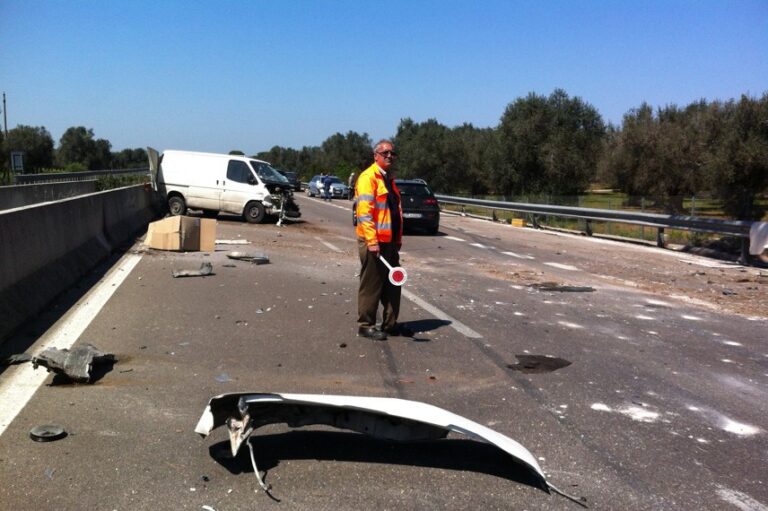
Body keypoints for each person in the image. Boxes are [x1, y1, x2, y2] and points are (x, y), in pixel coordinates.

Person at [355, 140, 413, 340]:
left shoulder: (389, 180)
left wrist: (397, 240)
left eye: (392, 153)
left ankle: (389, 324)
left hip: (390, 242)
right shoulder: (368, 178)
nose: (389, 156)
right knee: (372, 284)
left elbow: (394, 212)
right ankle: (365, 325)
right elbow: (364, 213)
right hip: (374, 241)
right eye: (385, 152)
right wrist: (372, 241)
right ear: (376, 156)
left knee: (393, 284)